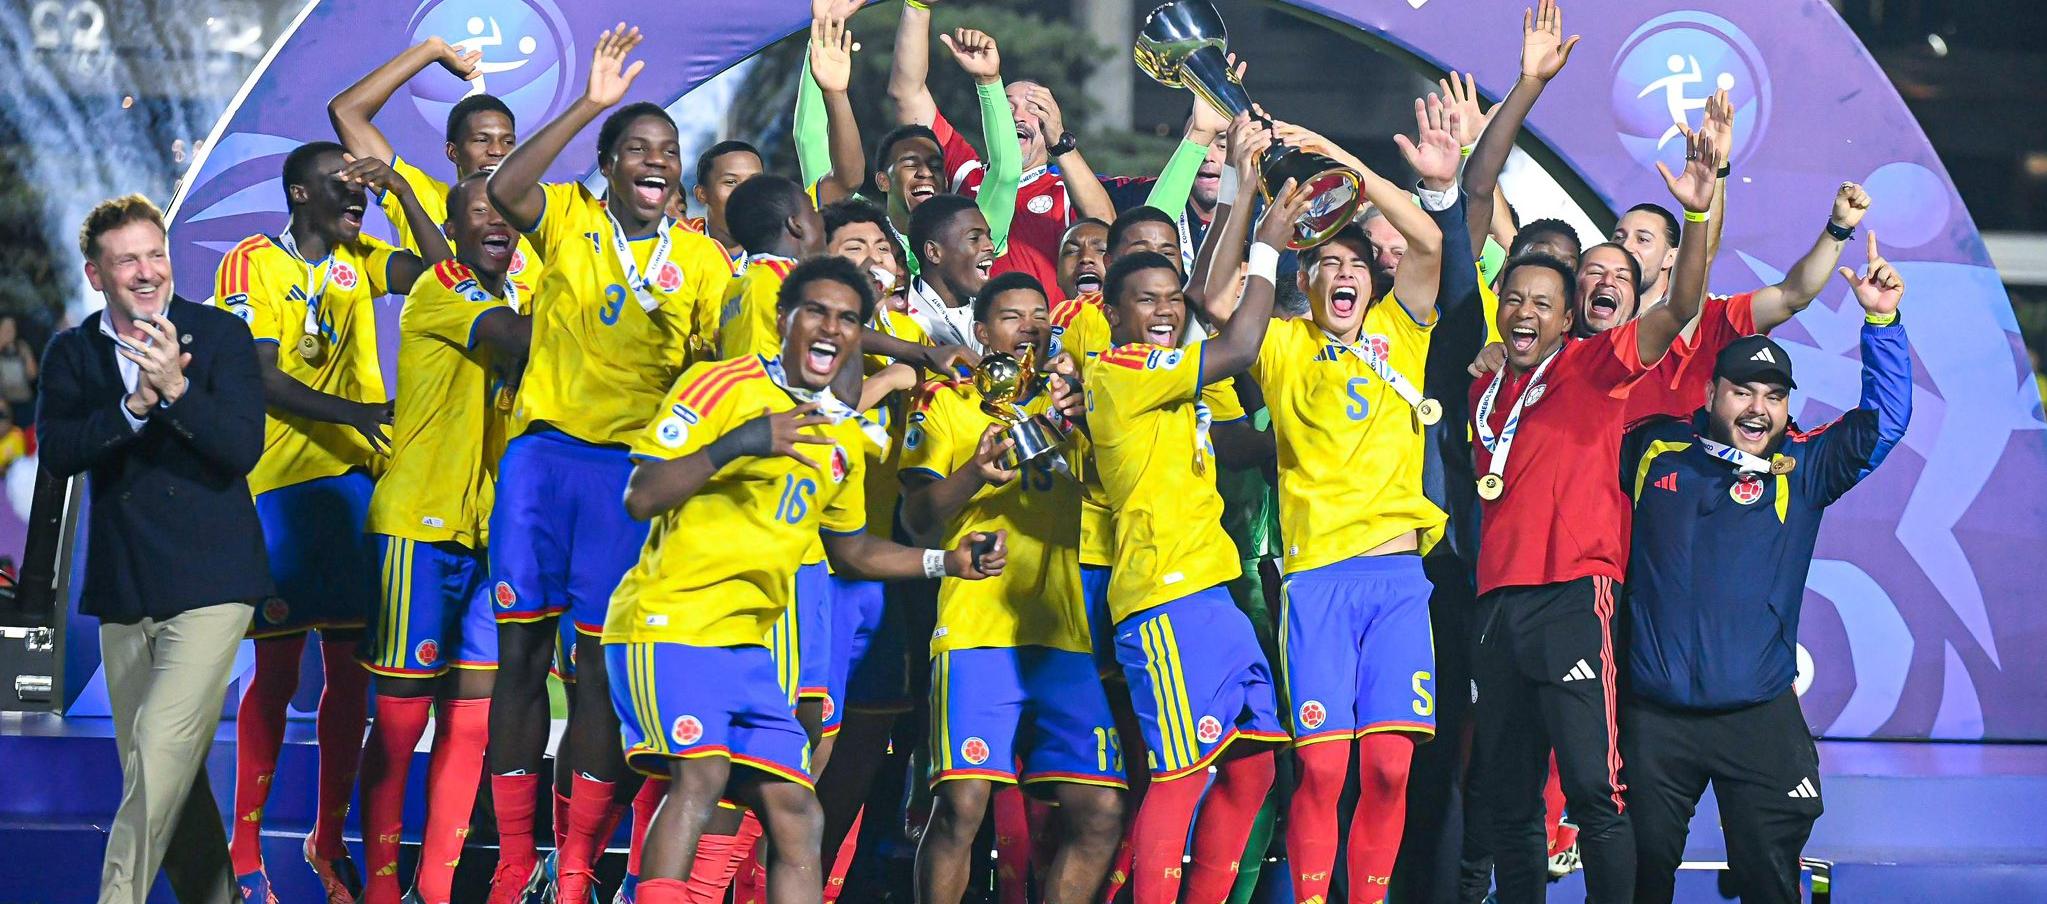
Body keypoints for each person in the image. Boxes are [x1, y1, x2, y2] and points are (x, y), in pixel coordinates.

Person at [607, 256, 1005, 904]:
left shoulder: (838, 435)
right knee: (701, 779)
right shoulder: (721, 385)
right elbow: (641, 494)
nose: (831, 327)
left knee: (798, 814)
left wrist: (946, 561)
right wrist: (740, 442)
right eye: (815, 311)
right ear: (781, 319)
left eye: (847, 318)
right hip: (669, 625)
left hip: (746, 650)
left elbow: (852, 551)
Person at [481, 25, 734, 902]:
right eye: (636, 148)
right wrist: (590, 101)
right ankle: (514, 865)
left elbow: (721, 363)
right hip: (543, 462)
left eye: (668, 149)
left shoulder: (701, 259)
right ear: (608, 166)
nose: (656, 159)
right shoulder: (570, 219)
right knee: (520, 659)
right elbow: (504, 189)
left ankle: (576, 867)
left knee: (596, 673)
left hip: (627, 479)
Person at [1464, 108, 1722, 904]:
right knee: (1505, 797)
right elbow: (1471, 206)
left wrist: (1697, 213)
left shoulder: (1593, 368)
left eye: (1544, 303)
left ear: (1567, 316)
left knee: (1592, 792)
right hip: (1495, 605)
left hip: (1575, 598)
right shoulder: (1480, 386)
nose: (1526, 313)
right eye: (1515, 299)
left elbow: (1677, 307)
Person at [1206, 98, 1455, 904]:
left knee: (1389, 767)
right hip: (1315, 581)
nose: (1343, 275)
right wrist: (1248, 200)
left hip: (1396, 581)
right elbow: (1214, 299)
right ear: (1303, 282)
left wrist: (1345, 170)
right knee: (1319, 769)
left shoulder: (1399, 331)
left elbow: (1427, 241)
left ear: (1371, 282)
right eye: (1326, 266)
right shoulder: (1281, 345)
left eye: (1355, 265)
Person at [1621, 242, 1910, 903]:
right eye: (1742, 391)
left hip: (1756, 717)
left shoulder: (1805, 467)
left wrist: (1881, 323)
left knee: (1769, 882)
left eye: (1773, 396)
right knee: (1634, 880)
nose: (1758, 408)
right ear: (1709, 393)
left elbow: (1885, 422)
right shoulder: (1652, 448)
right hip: (1654, 718)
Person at [213, 141, 449, 904]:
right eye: (339, 186)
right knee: (278, 673)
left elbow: (446, 274)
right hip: (280, 488)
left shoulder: (361, 258)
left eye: (359, 187)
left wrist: (401, 193)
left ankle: (327, 838)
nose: (355, 198)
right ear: (297, 194)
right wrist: (360, 412)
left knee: (350, 676)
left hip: (356, 488)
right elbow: (261, 376)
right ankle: (243, 850)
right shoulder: (251, 263)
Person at [1081, 155, 1314, 903]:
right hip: (1163, 596)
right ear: (1111, 313)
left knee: (1252, 767)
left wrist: (1242, 185)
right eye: (1142, 300)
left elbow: (1247, 436)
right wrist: (1268, 246)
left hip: (1211, 591)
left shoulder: (1176, 381)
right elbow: (1239, 344)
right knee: (1180, 777)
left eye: (1167, 299)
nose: (1161, 311)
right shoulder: (1118, 372)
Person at [46, 195, 267, 904]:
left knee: (159, 756)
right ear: (96, 274)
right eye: (127, 260)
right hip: (126, 589)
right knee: (166, 777)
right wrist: (133, 408)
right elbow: (59, 452)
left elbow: (242, 448)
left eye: (155, 255)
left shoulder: (221, 335)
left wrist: (174, 387)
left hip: (213, 584)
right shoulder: (73, 352)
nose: (146, 272)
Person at [898, 271, 1126, 904]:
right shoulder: (946, 402)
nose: (1030, 327)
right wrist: (974, 472)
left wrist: (1094, 422)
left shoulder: (1071, 405)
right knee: (961, 807)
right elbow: (916, 517)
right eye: (1011, 317)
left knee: (1101, 811)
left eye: (1039, 317)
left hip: (1060, 634)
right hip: (978, 628)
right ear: (980, 331)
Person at [355, 176, 534, 904]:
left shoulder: (515, 296)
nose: (496, 222)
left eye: (505, 213)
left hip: (488, 537)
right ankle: (380, 890)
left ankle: (433, 890)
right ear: (453, 230)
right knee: (401, 727)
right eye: (478, 212)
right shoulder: (444, 286)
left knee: (469, 727)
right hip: (419, 528)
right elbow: (520, 341)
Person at [889, 9, 1118, 298]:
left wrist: (1060, 142)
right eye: (1007, 106)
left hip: (1047, 325)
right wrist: (917, 7)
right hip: (965, 323)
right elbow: (907, 94)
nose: (1018, 116)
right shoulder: (965, 173)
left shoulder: (1067, 188)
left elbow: (1107, 228)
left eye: (1034, 108)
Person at [326, 34, 549, 294]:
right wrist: (432, 50)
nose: (497, 151)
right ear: (453, 152)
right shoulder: (418, 194)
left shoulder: (541, 210)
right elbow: (346, 112)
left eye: (508, 142)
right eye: (481, 140)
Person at [683, 139, 766, 275]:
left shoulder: (784, 254)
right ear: (702, 194)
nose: (746, 192)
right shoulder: (676, 247)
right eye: (731, 182)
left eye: (755, 181)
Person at [0, 314, 40, 416]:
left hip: (24, 399)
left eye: (11, 327)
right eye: (5, 328)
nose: (9, 331)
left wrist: (27, 355)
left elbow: (33, 375)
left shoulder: (22, 347)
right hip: (5, 401)